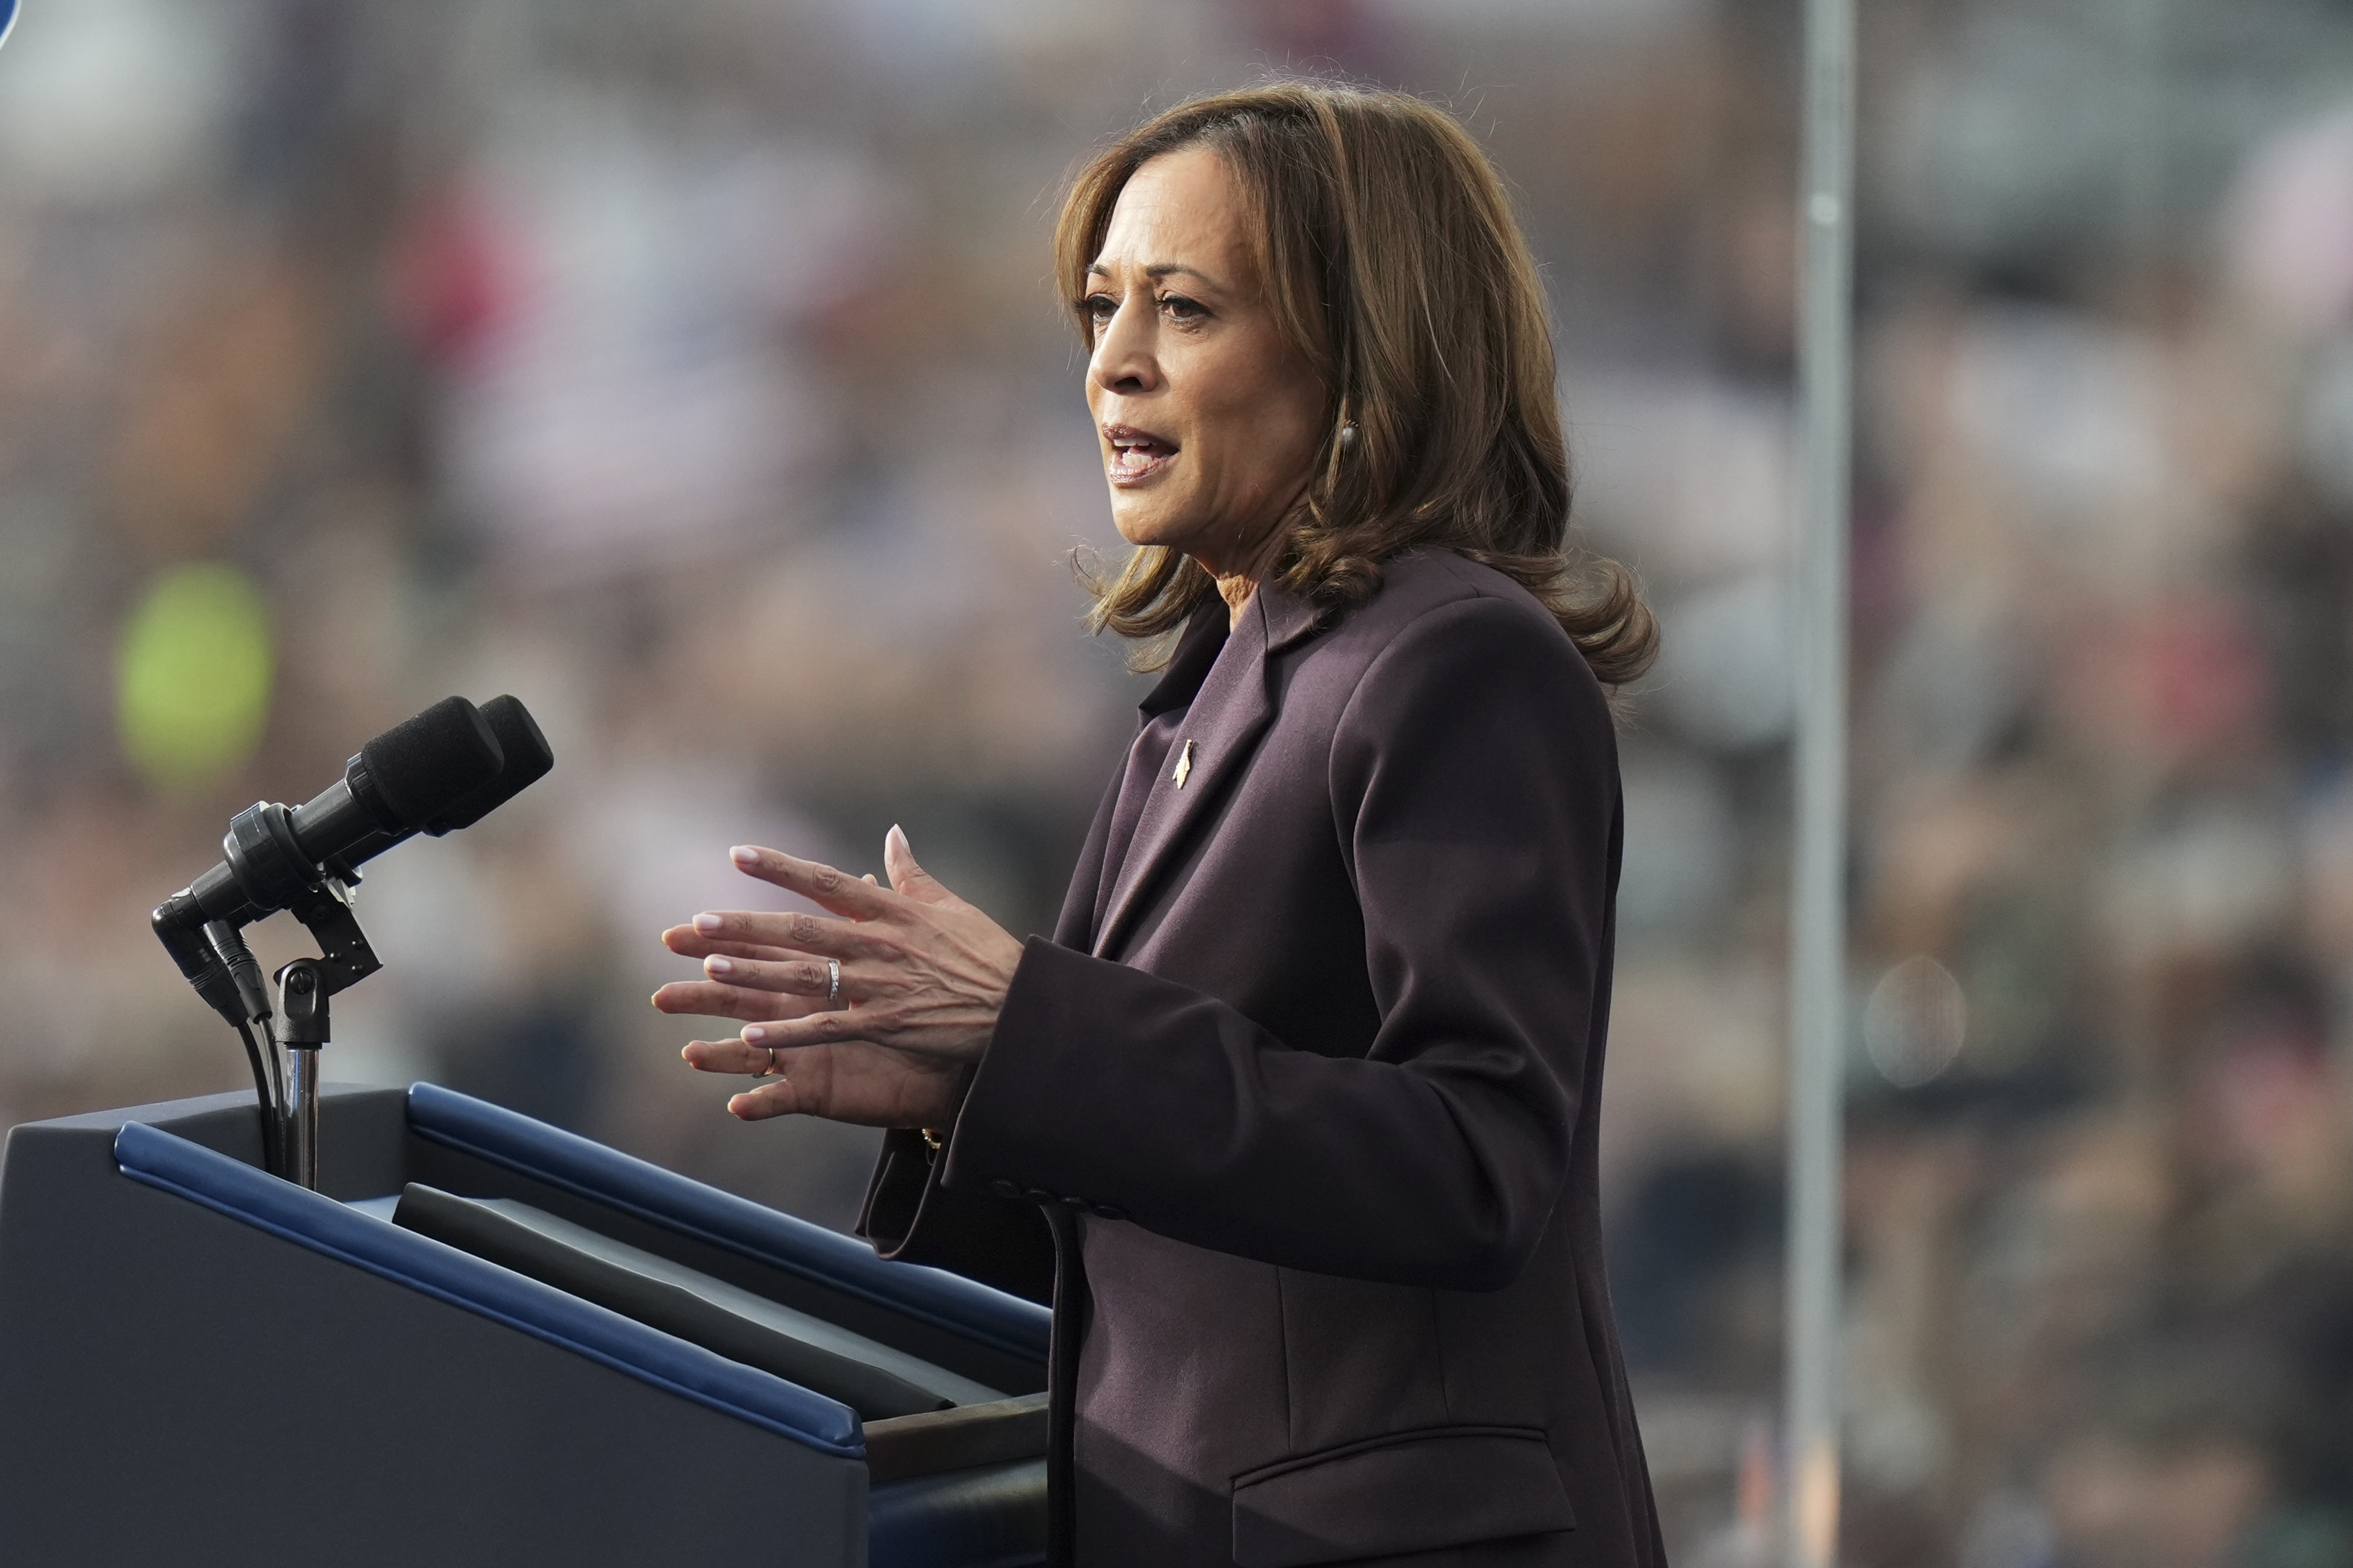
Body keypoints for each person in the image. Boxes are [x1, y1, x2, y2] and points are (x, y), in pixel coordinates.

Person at [654, 81, 1665, 1568]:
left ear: (1361, 351)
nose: (1111, 368)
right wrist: (964, 1086)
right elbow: (1151, 1217)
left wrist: (1030, 1027)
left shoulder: (1456, 662)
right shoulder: (1205, 698)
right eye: (1099, 310)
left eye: (1183, 311)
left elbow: (1475, 1163)